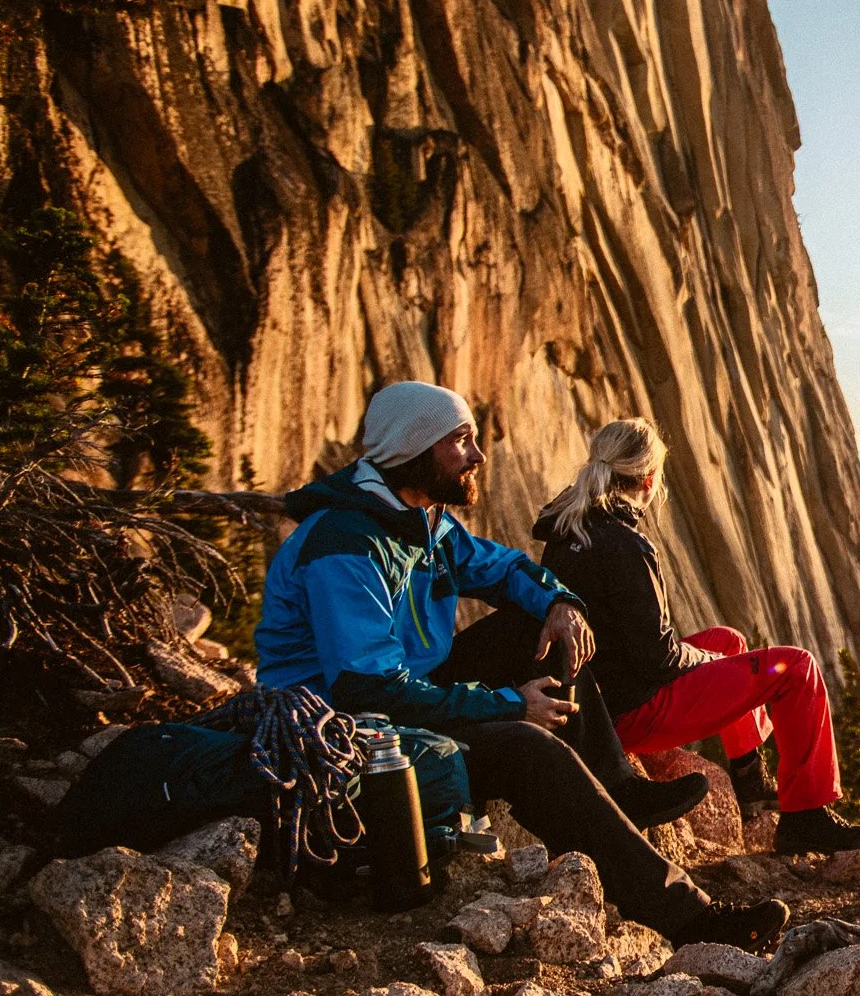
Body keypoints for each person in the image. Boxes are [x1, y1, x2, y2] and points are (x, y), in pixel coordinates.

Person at [253, 382, 788, 949]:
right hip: (348, 732)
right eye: (461, 441)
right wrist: (512, 705)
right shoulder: (347, 547)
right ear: (415, 447)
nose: (478, 456)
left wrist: (561, 604)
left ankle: (614, 787)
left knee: (540, 628)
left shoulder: (422, 523)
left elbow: (504, 568)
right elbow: (370, 687)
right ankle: (693, 919)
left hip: (408, 693)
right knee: (528, 748)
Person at [534, 418, 860, 859]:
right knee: (796, 668)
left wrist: (711, 654)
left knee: (729, 639)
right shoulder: (625, 544)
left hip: (602, 696)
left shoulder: (569, 528)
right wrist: (704, 660)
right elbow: (658, 659)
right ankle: (807, 816)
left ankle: (748, 777)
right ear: (648, 479)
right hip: (634, 709)